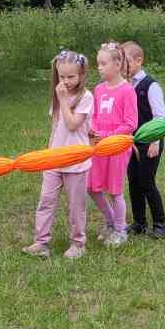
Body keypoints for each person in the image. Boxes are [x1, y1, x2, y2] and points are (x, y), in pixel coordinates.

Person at [23, 50, 94, 260]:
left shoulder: (86, 97)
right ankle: (41, 242)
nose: (65, 81)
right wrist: (48, 152)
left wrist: (63, 99)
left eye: (71, 76)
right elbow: (56, 125)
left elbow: (72, 125)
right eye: (61, 76)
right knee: (46, 200)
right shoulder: (59, 94)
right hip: (54, 159)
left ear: (82, 75)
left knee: (76, 206)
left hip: (76, 161)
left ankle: (78, 243)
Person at [88, 42, 139, 246]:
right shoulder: (99, 89)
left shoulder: (127, 90)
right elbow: (94, 116)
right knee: (92, 187)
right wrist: (92, 130)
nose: (99, 68)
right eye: (98, 64)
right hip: (99, 146)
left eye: (103, 63)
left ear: (117, 65)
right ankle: (110, 221)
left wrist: (108, 136)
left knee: (115, 190)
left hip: (117, 147)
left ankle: (120, 229)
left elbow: (131, 123)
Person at [123, 40, 165, 238]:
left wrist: (155, 142)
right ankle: (139, 222)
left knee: (147, 181)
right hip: (130, 143)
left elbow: (160, 118)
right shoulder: (125, 85)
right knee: (133, 181)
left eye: (126, 61)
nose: (123, 66)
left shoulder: (151, 85)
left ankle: (159, 223)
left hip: (149, 143)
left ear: (139, 60)